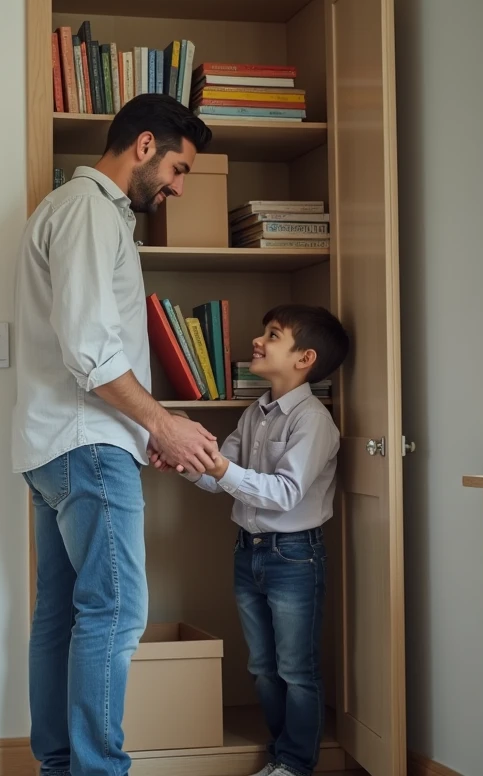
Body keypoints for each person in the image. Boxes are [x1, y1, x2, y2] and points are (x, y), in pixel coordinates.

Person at [11, 93, 217, 776]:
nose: (179, 187)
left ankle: (62, 767)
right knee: (118, 614)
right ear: (146, 144)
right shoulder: (92, 212)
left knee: (63, 617)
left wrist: (142, 428)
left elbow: (88, 347)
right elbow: (91, 350)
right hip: (88, 443)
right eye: (181, 170)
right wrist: (159, 421)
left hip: (63, 445)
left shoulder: (69, 210)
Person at [152, 304, 349, 776]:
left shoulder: (312, 421)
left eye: (273, 335)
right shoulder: (255, 414)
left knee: (296, 668)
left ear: (305, 359)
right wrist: (189, 463)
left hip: (295, 556)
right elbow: (223, 477)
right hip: (249, 551)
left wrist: (219, 468)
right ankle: (282, 751)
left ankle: (296, 762)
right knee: (262, 664)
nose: (258, 342)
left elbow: (284, 493)